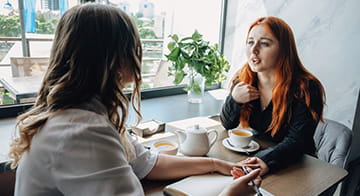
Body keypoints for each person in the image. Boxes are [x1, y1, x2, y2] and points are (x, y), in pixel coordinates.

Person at [9, 3, 261, 196]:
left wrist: (215, 164)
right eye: (133, 46)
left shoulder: (85, 112)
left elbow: (147, 163)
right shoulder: (81, 131)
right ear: (113, 58)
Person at [220, 16, 325, 176]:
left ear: (283, 49)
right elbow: (227, 123)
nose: (253, 50)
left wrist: (265, 160)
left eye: (264, 43)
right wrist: (234, 99)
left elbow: (297, 141)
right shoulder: (244, 78)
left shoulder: (306, 88)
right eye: (250, 42)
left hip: (296, 167)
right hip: (260, 159)